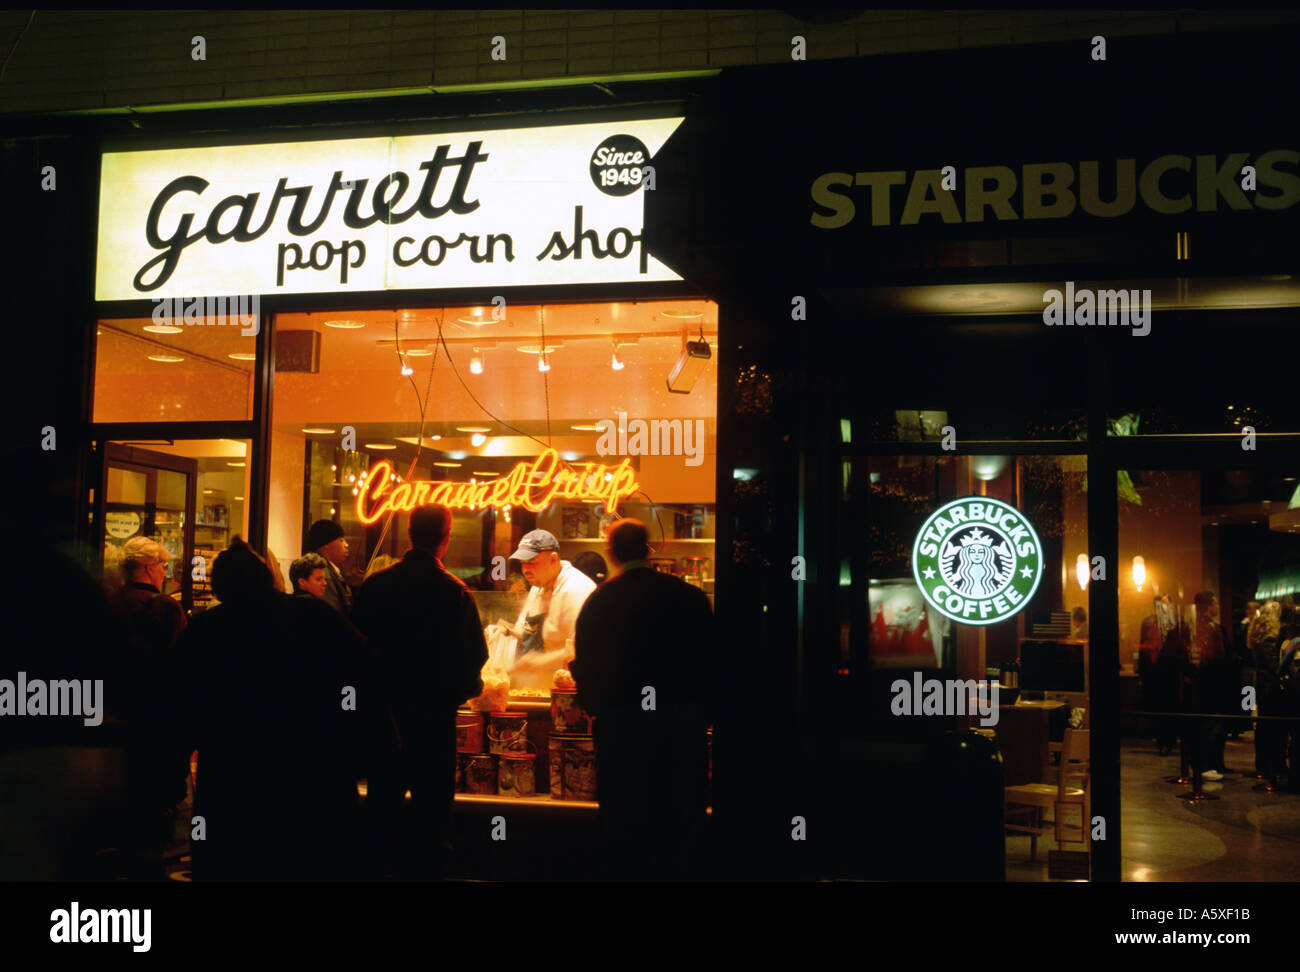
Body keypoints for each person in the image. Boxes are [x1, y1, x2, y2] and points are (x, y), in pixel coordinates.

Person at [169, 538, 396, 880]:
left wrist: (170, 771)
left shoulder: (205, 632)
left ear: (219, 586)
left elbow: (182, 710)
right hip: (315, 775)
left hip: (234, 783)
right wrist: (372, 748)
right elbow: (364, 679)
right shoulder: (313, 616)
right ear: (267, 577)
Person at [571, 518, 717, 880]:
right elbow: (712, 661)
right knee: (678, 826)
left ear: (612, 552)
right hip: (680, 731)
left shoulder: (600, 601)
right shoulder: (688, 597)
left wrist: (594, 708)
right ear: (648, 550)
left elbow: (586, 666)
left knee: (624, 829)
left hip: (622, 733)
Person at [350, 505, 488, 880]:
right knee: (432, 813)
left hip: (385, 718)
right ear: (445, 538)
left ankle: (381, 871)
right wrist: (459, 694)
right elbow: (476, 655)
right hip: (433, 720)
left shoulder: (377, 585)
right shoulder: (454, 592)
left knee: (382, 806)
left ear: (410, 533)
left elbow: (356, 651)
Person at [104, 536, 190, 879]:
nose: (164, 572)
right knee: (155, 802)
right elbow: (181, 666)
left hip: (113, 715)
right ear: (149, 568)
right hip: (155, 718)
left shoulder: (107, 604)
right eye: (163, 566)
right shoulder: (166, 608)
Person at [491, 530, 596, 691]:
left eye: (532, 562)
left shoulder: (576, 590)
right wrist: (504, 630)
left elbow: (584, 649)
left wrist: (539, 661)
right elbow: (525, 630)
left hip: (566, 693)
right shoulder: (538, 586)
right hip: (534, 690)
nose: (525, 569)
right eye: (523, 563)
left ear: (553, 559)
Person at [305, 519, 353, 618]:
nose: (346, 544)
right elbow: (331, 612)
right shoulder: (322, 571)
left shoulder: (330, 569)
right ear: (326, 545)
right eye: (341, 540)